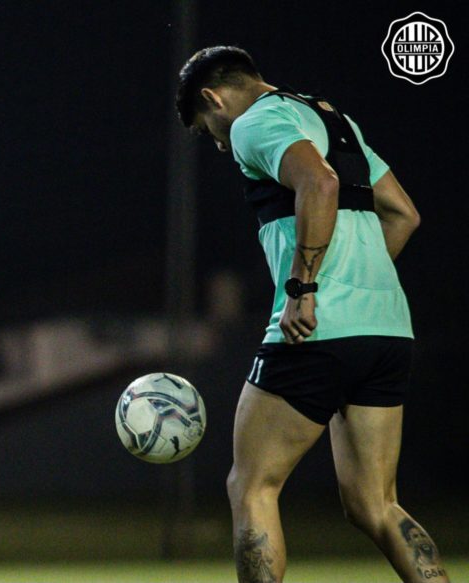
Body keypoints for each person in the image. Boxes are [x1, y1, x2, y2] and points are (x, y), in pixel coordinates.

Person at [175, 47, 448, 583]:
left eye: (210, 130)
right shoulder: (333, 119)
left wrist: (306, 287)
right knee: (376, 504)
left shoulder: (255, 121)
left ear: (213, 98)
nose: (220, 142)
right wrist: (351, 281)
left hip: (315, 328)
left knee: (251, 486)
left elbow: (318, 183)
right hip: (387, 328)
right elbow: (404, 214)